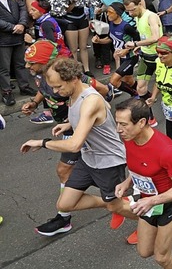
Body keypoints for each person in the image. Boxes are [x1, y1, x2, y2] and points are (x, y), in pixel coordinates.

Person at [20, 57, 138, 238]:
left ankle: (148, 223)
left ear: (74, 79)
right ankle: (115, 201)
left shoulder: (90, 99)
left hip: (108, 162)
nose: (55, 91)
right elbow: (101, 110)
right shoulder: (73, 93)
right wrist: (70, 124)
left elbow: (75, 144)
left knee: (116, 206)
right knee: (64, 204)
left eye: (59, 87)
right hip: (88, 159)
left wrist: (42, 142)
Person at [21, 40, 110, 235]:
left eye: (32, 62)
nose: (28, 67)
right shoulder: (45, 76)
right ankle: (114, 193)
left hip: (79, 130)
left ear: (46, 62)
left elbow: (104, 92)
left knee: (64, 170)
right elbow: (44, 90)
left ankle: (65, 217)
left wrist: (89, 113)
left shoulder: (72, 78)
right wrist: (34, 103)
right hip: (67, 126)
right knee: (79, 171)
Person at [114, 98, 172, 269]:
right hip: (147, 202)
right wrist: (127, 182)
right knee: (144, 251)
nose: (119, 129)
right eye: (117, 123)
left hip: (169, 203)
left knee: (162, 257)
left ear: (141, 122)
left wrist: (152, 200)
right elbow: (141, 167)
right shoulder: (129, 139)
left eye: (123, 124)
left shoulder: (165, 150)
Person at [124, 0, 163, 127]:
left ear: (140, 4)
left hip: (159, 57)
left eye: (132, 10)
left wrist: (136, 44)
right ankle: (150, 116)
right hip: (146, 56)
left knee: (165, 85)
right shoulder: (137, 16)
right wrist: (140, 47)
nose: (130, 14)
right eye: (128, 11)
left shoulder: (151, 16)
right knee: (140, 88)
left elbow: (156, 37)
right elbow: (145, 35)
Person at [0, 0, 36, 105]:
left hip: (18, 36)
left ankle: (24, 86)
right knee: (4, 68)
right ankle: (6, 92)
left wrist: (22, 24)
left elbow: (22, 7)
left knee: (21, 63)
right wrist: (12, 27)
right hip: (3, 39)